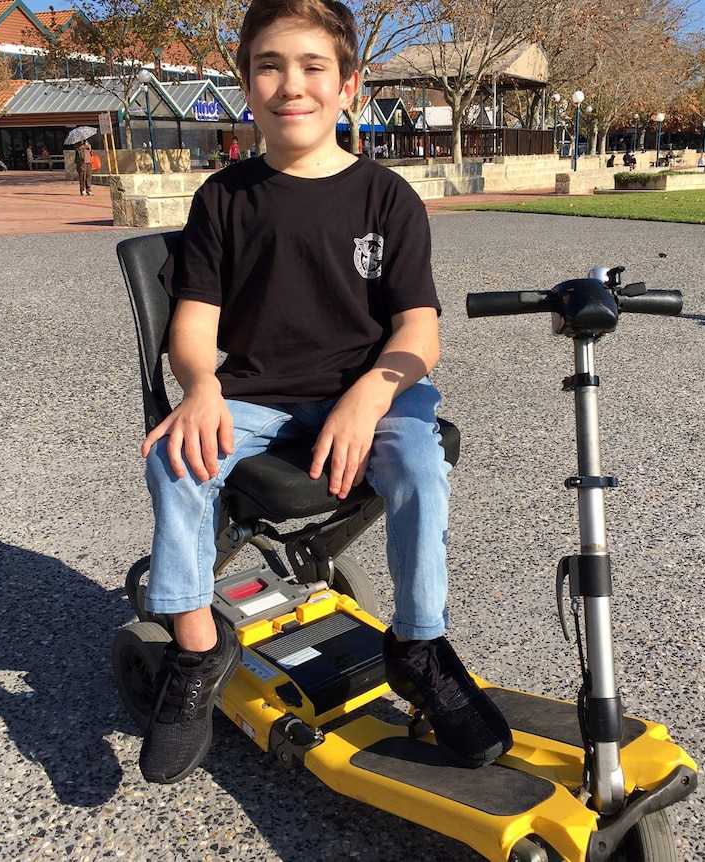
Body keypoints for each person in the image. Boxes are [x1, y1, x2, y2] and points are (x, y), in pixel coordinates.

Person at [136, 0, 514, 786]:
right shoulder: (224, 198)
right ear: (246, 83)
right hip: (254, 395)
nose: (291, 85)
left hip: (368, 389)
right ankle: (198, 651)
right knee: (176, 460)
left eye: (313, 67)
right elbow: (193, 327)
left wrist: (370, 395)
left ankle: (417, 646)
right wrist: (199, 386)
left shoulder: (386, 199)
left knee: (417, 464)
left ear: (349, 86)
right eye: (269, 66)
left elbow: (419, 333)